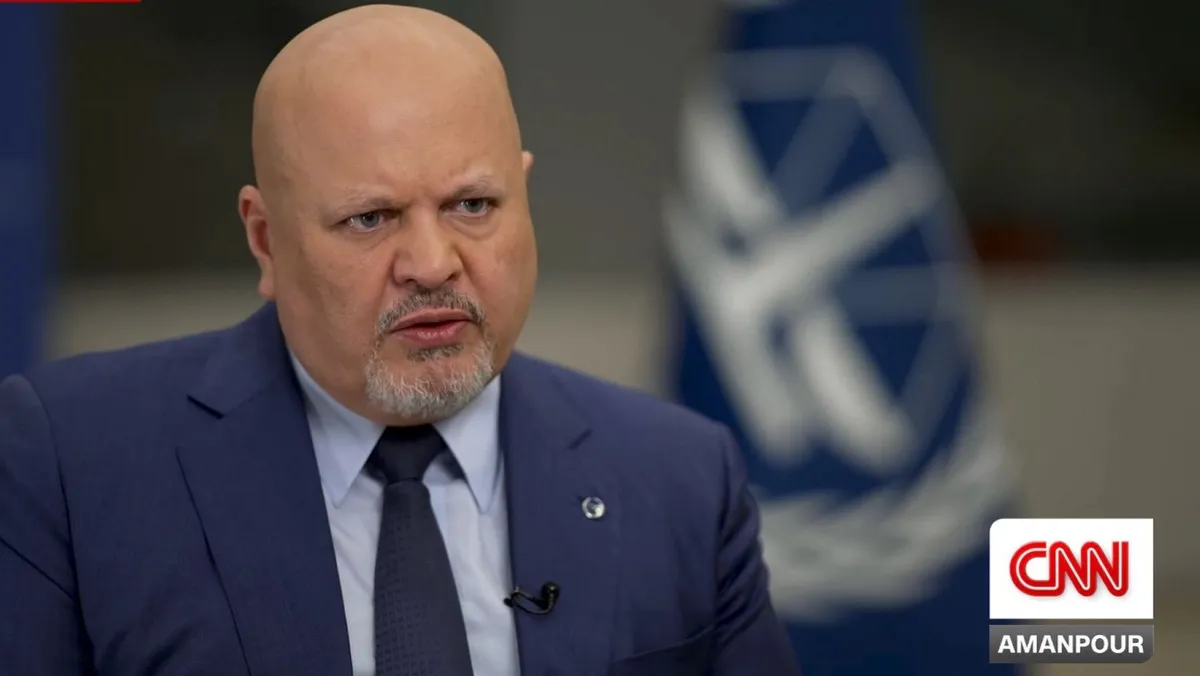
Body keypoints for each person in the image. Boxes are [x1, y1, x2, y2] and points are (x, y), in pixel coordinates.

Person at [0, 5, 799, 676]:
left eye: (473, 205)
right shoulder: (70, 464)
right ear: (266, 240)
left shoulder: (680, 479)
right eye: (370, 218)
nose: (431, 263)